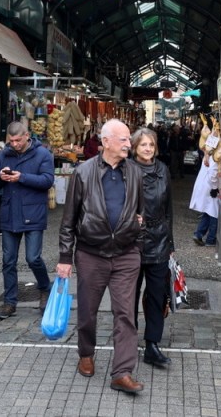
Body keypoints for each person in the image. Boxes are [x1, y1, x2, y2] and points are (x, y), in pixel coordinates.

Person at [57, 119, 146, 394]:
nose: (128, 144)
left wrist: (137, 239)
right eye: (123, 140)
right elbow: (69, 219)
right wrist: (64, 257)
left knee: (125, 315)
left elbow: (141, 213)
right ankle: (86, 353)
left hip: (125, 255)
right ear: (106, 141)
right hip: (90, 254)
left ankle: (122, 372)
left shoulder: (135, 173)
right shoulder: (83, 173)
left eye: (129, 140)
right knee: (87, 312)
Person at [0, 121, 54, 319]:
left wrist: (22, 177)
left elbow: (47, 180)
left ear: (27, 136)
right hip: (9, 212)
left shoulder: (42, 154)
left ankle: (45, 288)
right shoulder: (3, 154)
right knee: (8, 261)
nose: (14, 144)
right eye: (11, 141)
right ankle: (10, 303)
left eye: (17, 140)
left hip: (33, 212)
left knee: (33, 258)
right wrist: (0, 176)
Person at [131, 127, 175, 369]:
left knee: (157, 295)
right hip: (133, 240)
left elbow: (169, 209)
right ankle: (128, 339)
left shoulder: (163, 170)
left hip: (159, 239)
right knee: (130, 294)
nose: (147, 149)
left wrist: (171, 243)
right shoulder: (127, 170)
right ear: (135, 147)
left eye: (150, 145)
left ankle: (152, 345)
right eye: (143, 145)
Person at [189, 149, 220, 246]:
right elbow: (213, 174)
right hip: (210, 188)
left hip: (205, 185)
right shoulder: (216, 157)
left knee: (208, 211)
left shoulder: (209, 156)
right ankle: (211, 239)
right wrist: (215, 188)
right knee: (215, 213)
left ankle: (198, 234)